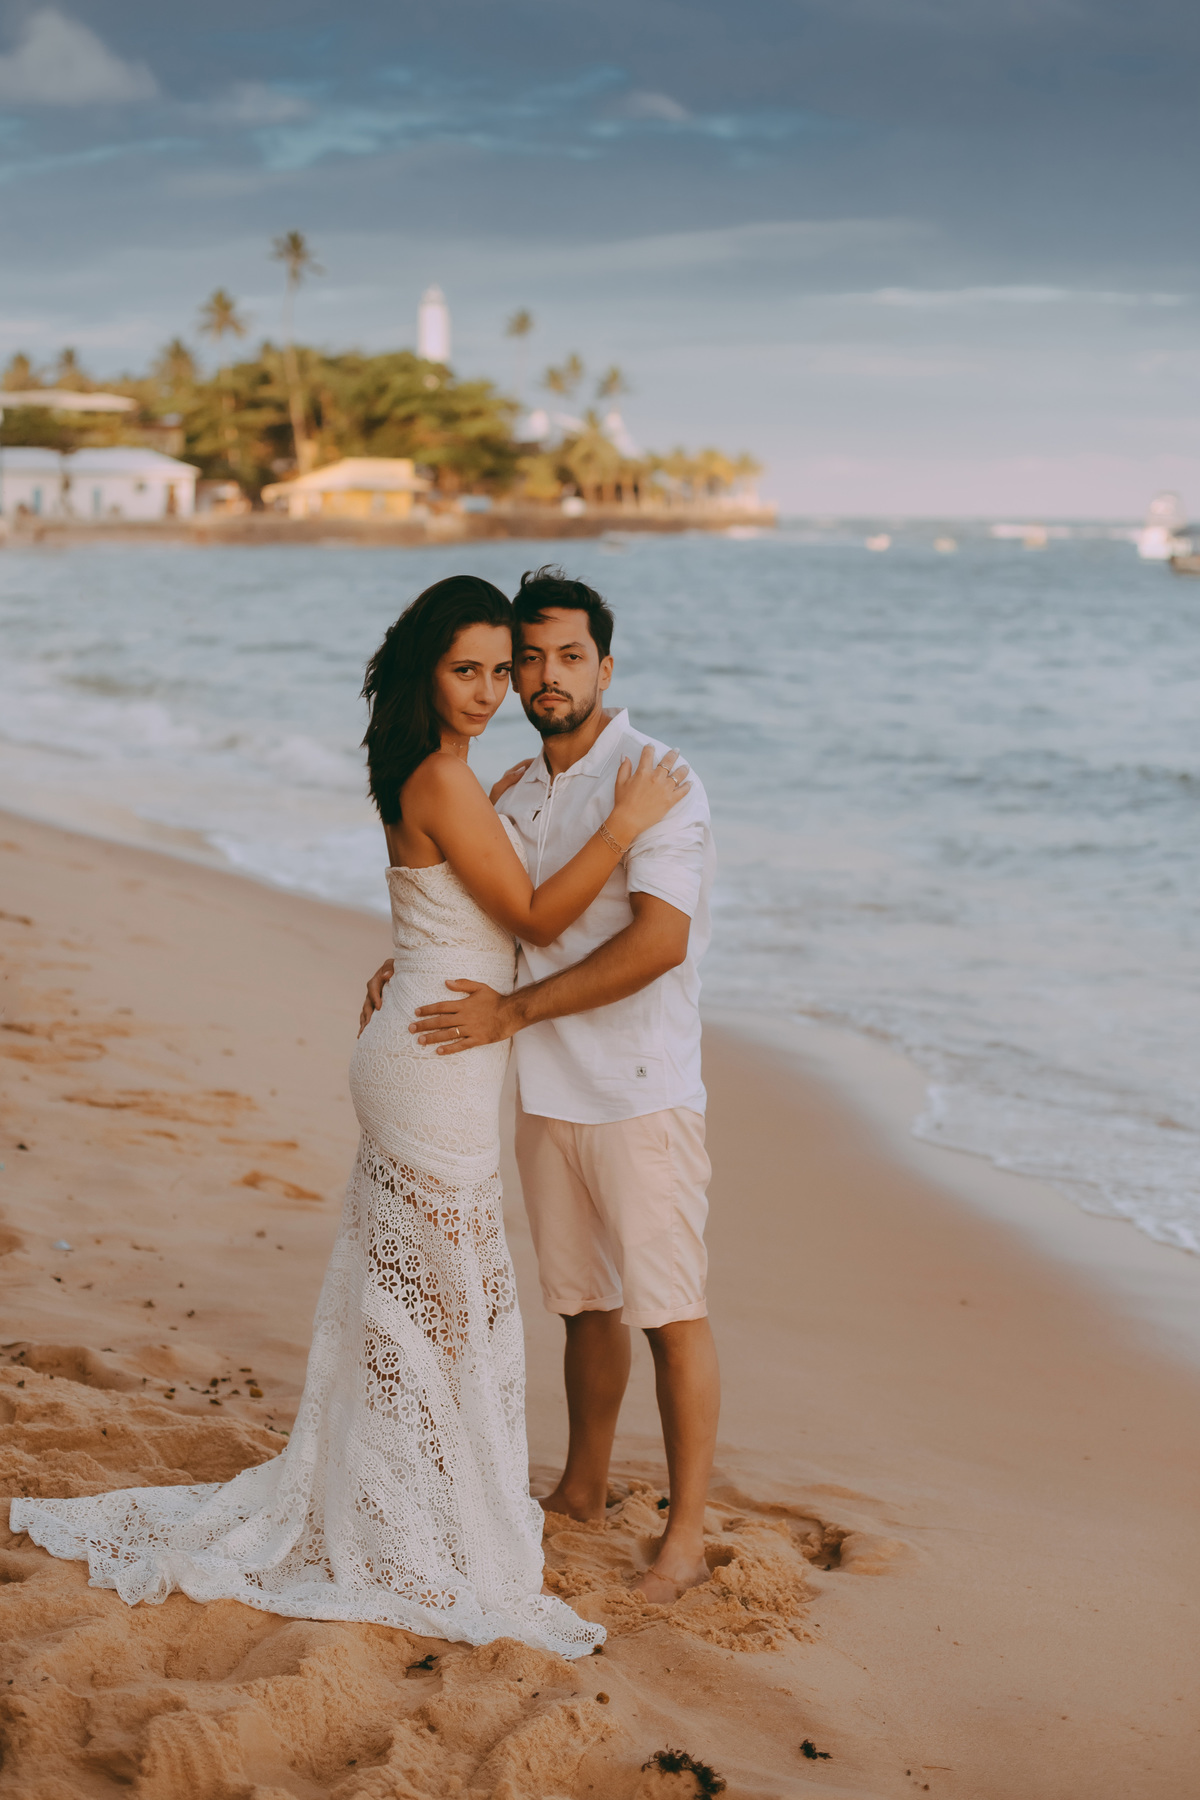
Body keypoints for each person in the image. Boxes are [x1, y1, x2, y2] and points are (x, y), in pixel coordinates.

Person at [9, 574, 687, 1658]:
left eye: (498, 669)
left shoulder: (449, 774)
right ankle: (419, 1517)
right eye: (466, 670)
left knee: (417, 1296)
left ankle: (404, 1494)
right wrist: (628, 823)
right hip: (436, 1057)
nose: (489, 689)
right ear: (428, 672)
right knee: (447, 1297)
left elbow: (453, 909)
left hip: (430, 1039)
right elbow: (537, 915)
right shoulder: (448, 780)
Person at [363, 566, 719, 1603]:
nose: (545, 675)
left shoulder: (657, 778)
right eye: (530, 659)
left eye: (571, 656)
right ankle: (582, 1488)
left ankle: (686, 1538)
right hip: (539, 1089)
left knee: (671, 1311)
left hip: (639, 1087)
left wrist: (511, 1009)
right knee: (584, 1306)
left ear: (605, 666)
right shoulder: (513, 787)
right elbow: (485, 910)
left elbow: (659, 942)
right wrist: (415, 958)